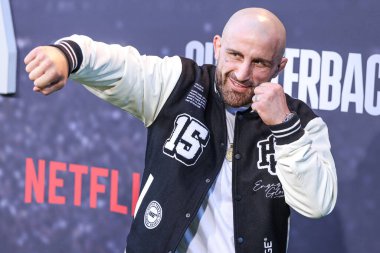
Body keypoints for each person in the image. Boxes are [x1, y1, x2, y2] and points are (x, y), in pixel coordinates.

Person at [24, 7, 337, 253]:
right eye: (235, 55)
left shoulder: (300, 123)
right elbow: (114, 62)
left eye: (259, 63)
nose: (242, 74)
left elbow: (318, 204)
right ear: (217, 46)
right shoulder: (178, 82)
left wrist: (285, 128)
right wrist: (64, 55)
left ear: (279, 67)